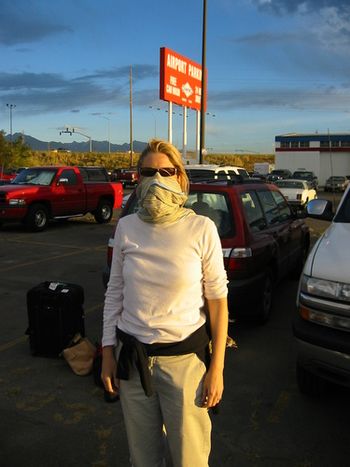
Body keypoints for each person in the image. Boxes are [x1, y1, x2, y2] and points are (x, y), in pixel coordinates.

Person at [101, 139, 228, 467]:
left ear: (179, 177)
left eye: (165, 171)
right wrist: (106, 354)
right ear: (138, 178)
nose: (156, 179)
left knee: (190, 460)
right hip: (132, 361)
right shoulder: (127, 226)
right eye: (148, 172)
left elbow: (218, 302)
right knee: (143, 459)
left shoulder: (201, 228)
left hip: (185, 365)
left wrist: (217, 369)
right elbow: (114, 293)